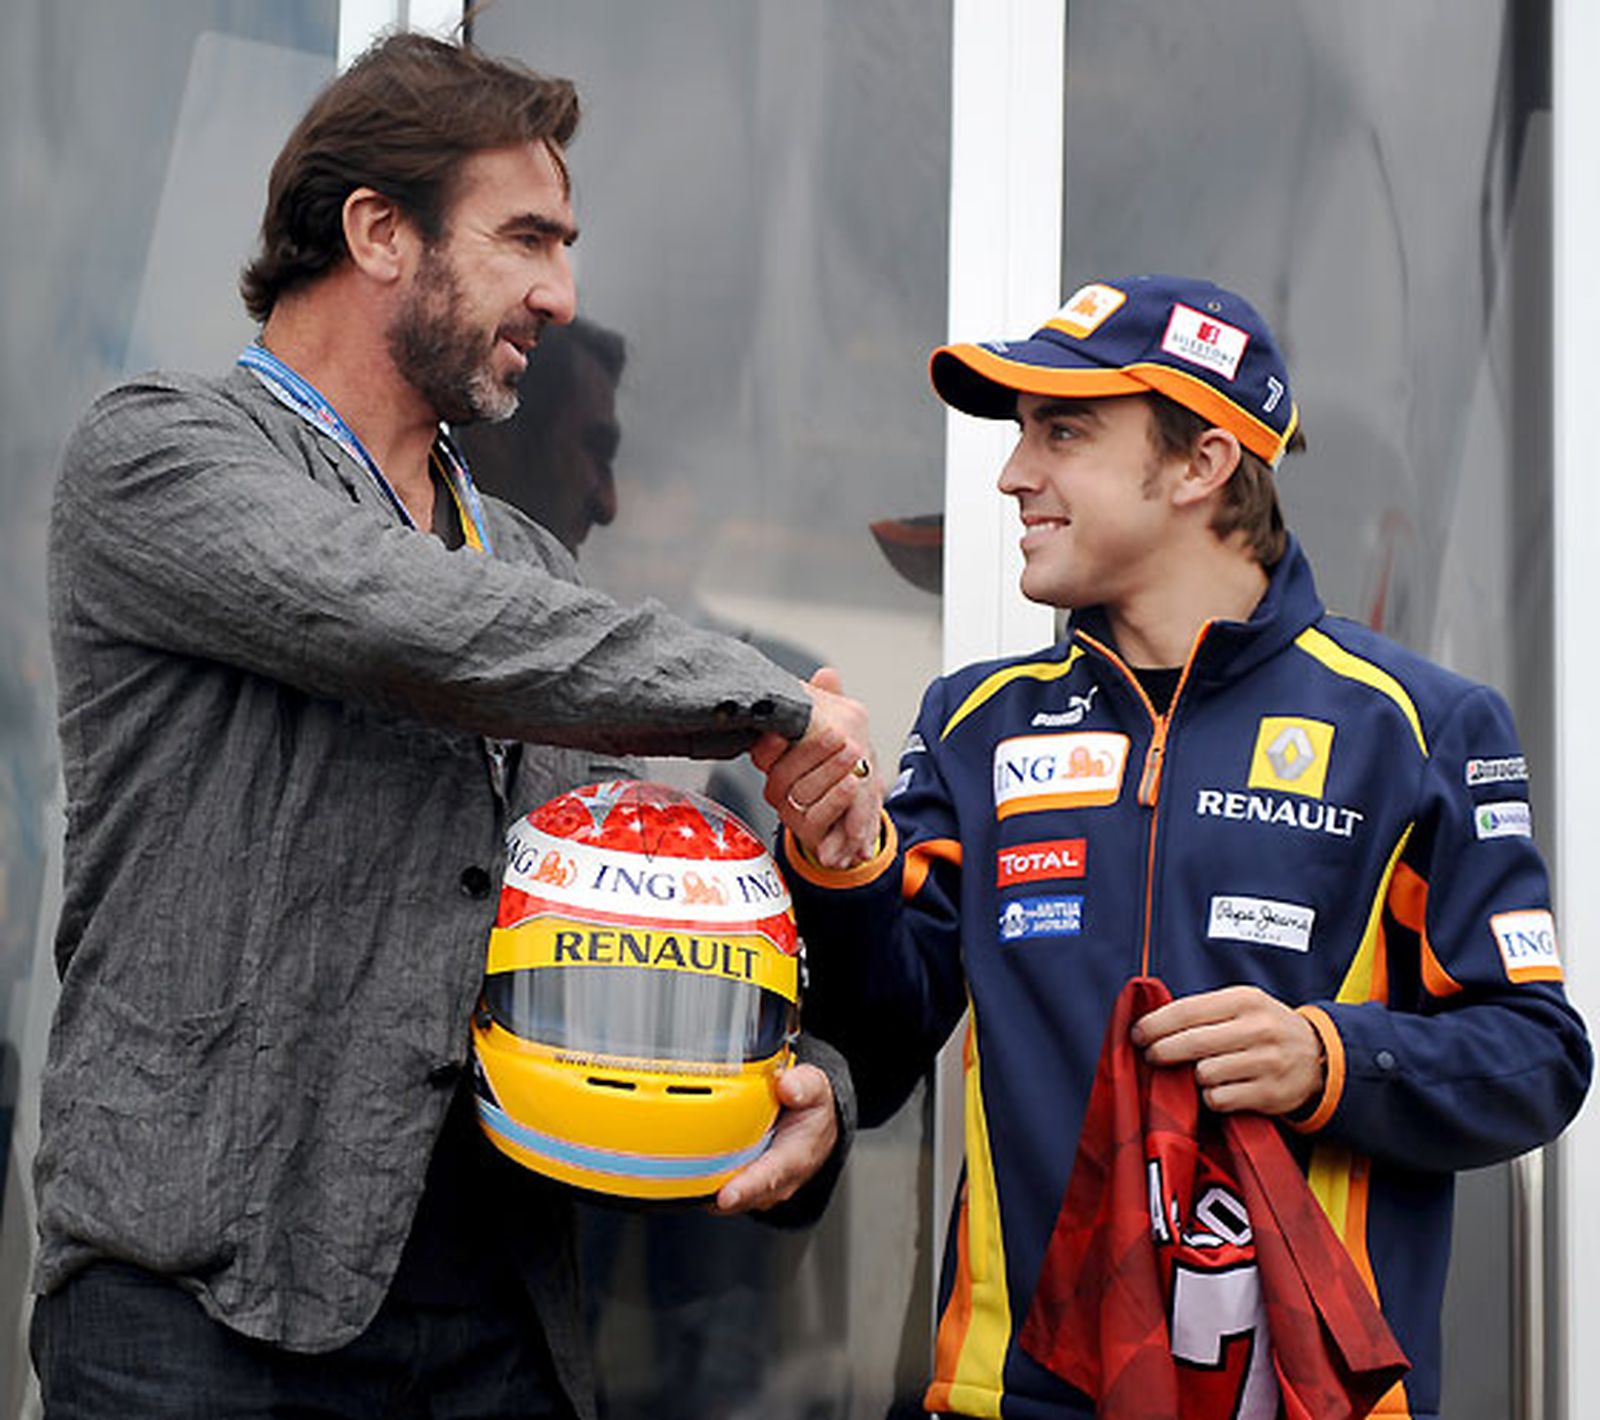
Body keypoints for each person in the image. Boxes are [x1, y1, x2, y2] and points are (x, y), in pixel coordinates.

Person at [30, 31, 880, 1420]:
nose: (562, 294)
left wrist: (805, 1082)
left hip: (494, 1319)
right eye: (525, 238)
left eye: (566, 246)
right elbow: (407, 621)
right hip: (193, 1310)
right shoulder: (157, 454)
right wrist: (769, 699)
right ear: (378, 232)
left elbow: (641, 883)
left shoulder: (530, 565)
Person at [771, 273, 1592, 1420]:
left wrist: (1327, 1059)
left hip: (1300, 1397)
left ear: (1202, 462)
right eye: (1021, 434)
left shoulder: (1415, 727)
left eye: (1062, 432)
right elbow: (881, 1041)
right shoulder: (977, 721)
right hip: (1017, 1395)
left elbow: (1536, 1058)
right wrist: (841, 860)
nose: (1012, 474)